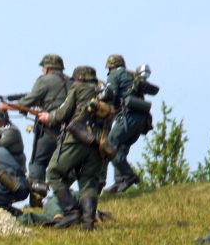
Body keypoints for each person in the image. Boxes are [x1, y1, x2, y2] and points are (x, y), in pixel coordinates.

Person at [38, 65, 111, 231]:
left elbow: (63, 112)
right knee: (89, 181)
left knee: (53, 172)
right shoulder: (104, 92)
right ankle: (88, 223)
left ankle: (71, 212)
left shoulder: (78, 88)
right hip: (99, 142)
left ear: (79, 78)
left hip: (77, 138)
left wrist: (48, 116)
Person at [1, 54, 69, 201]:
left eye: (44, 67)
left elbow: (28, 100)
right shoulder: (69, 81)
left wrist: (7, 106)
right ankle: (64, 199)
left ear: (49, 67)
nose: (43, 70)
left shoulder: (44, 80)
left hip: (48, 129)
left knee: (37, 164)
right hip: (68, 131)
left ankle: (36, 202)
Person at [102, 54, 147, 195]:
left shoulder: (114, 75)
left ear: (110, 66)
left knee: (109, 146)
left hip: (127, 117)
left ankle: (128, 176)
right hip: (142, 118)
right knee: (121, 148)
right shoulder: (131, 75)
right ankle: (119, 183)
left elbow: (110, 96)